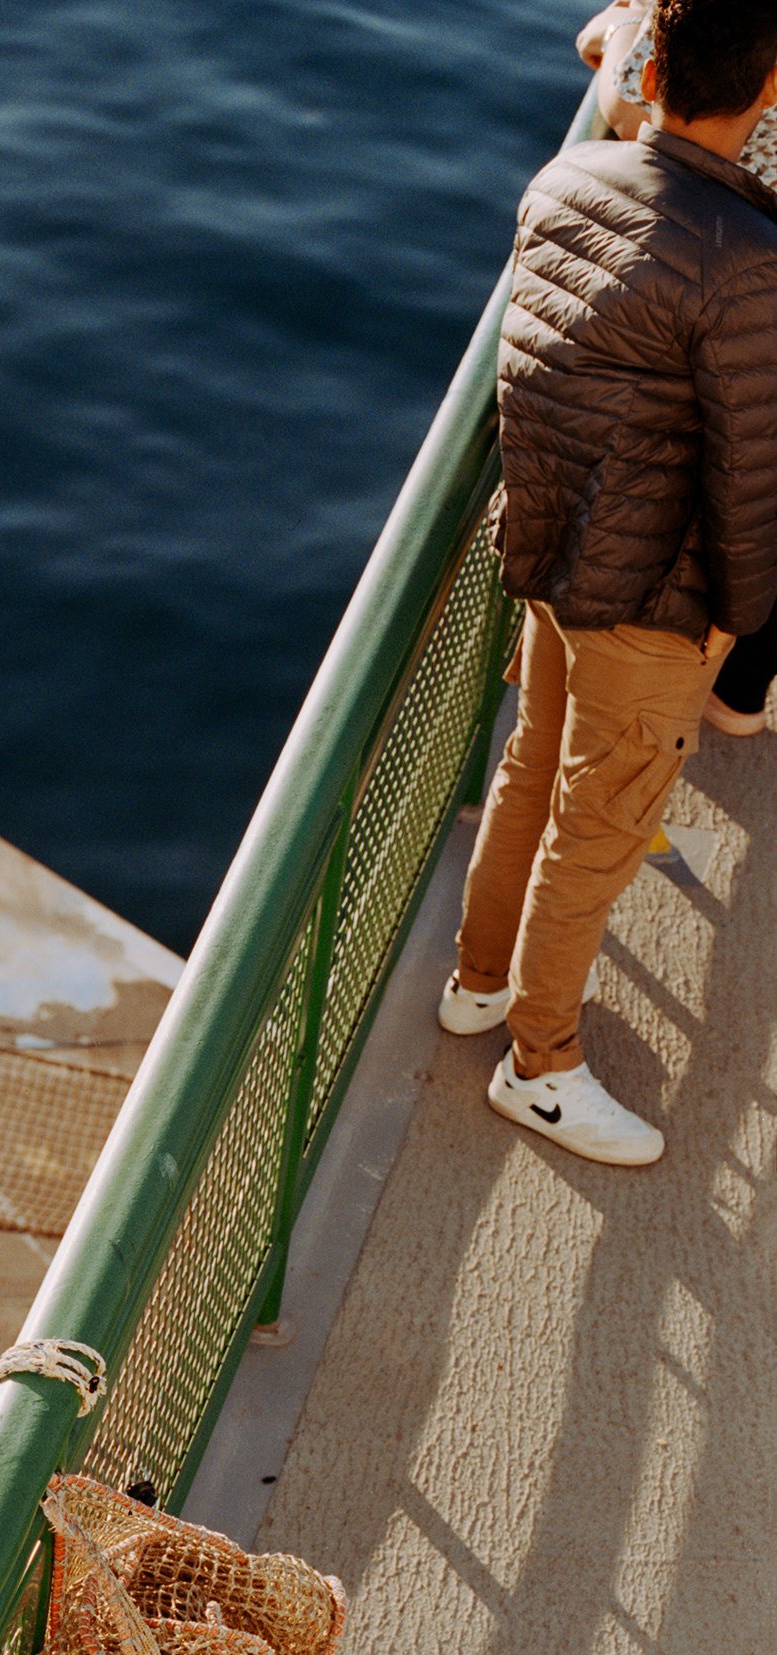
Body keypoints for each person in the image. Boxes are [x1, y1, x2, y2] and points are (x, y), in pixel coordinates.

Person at [445, 0, 777, 1165]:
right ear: (767, 91)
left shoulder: (563, 180)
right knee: (599, 825)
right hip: (652, 595)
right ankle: (541, 1066)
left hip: (552, 549)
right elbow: (751, 477)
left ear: (651, 64)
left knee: (533, 768)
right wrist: (739, 618)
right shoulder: (747, 261)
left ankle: (478, 983)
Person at [581, 0, 777, 735]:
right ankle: (743, 684)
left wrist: (623, 26)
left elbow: (635, 109)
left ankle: (721, 659)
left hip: (725, 275)